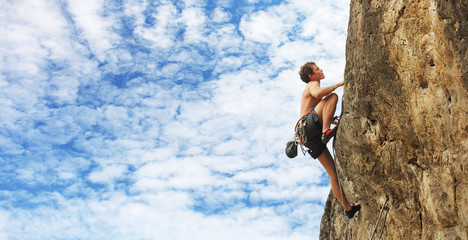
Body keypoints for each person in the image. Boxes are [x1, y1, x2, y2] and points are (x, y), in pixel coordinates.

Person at [297, 61, 360, 218]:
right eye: (318, 69)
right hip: (309, 127)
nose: (321, 70)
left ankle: (348, 208)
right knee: (332, 97)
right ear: (312, 75)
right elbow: (319, 95)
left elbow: (316, 109)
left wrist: (333, 120)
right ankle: (326, 131)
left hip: (307, 135)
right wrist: (338, 84)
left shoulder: (313, 86)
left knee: (332, 173)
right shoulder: (313, 84)